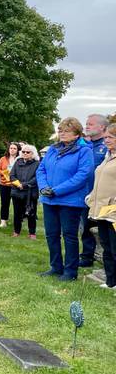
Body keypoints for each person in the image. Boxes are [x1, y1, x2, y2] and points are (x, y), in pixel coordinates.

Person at [36, 118, 94, 280]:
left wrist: (56, 190)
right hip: (49, 199)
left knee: (69, 236)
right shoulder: (53, 150)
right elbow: (41, 170)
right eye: (60, 130)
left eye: (66, 131)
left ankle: (70, 271)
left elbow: (83, 176)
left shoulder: (84, 151)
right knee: (51, 235)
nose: (62, 133)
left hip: (70, 201)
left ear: (76, 134)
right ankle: (56, 267)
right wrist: (43, 187)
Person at [86, 122, 116, 288]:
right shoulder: (107, 157)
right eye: (105, 137)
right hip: (102, 210)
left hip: (114, 212)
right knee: (107, 247)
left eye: (110, 137)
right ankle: (111, 282)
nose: (106, 140)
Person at [81, 114, 110, 267]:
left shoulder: (106, 147)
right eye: (86, 123)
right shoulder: (85, 146)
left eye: (91, 124)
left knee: (105, 230)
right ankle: (86, 257)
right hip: (86, 195)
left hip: (105, 197)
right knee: (85, 227)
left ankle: (107, 260)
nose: (87, 126)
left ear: (102, 127)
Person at [10, 144, 40, 239]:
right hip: (17, 191)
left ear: (33, 154)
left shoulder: (37, 164)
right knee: (17, 213)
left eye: (28, 152)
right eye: (23, 152)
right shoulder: (18, 162)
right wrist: (18, 184)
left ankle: (32, 233)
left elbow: (37, 178)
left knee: (31, 213)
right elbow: (12, 175)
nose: (25, 153)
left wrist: (24, 185)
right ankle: (16, 231)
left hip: (30, 192)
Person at [0, 142, 21, 228]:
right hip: (4, 185)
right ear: (8, 149)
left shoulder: (20, 159)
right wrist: (3, 172)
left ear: (17, 150)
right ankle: (3, 221)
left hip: (16, 185)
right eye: (11, 148)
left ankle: (17, 222)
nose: (12, 150)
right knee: (4, 204)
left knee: (17, 204)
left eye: (14, 148)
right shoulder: (3, 159)